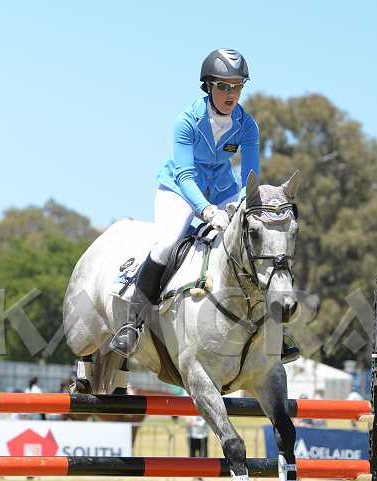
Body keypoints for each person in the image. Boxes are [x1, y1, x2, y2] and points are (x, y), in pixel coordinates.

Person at [110, 49, 300, 365]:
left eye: (237, 86)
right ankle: (133, 324)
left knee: (253, 244)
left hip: (223, 190)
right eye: (223, 86)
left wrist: (239, 206)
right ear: (208, 86)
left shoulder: (247, 126)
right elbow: (185, 175)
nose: (231, 94)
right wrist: (208, 211)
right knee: (167, 244)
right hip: (180, 190)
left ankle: (275, 332)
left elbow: (251, 180)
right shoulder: (186, 121)